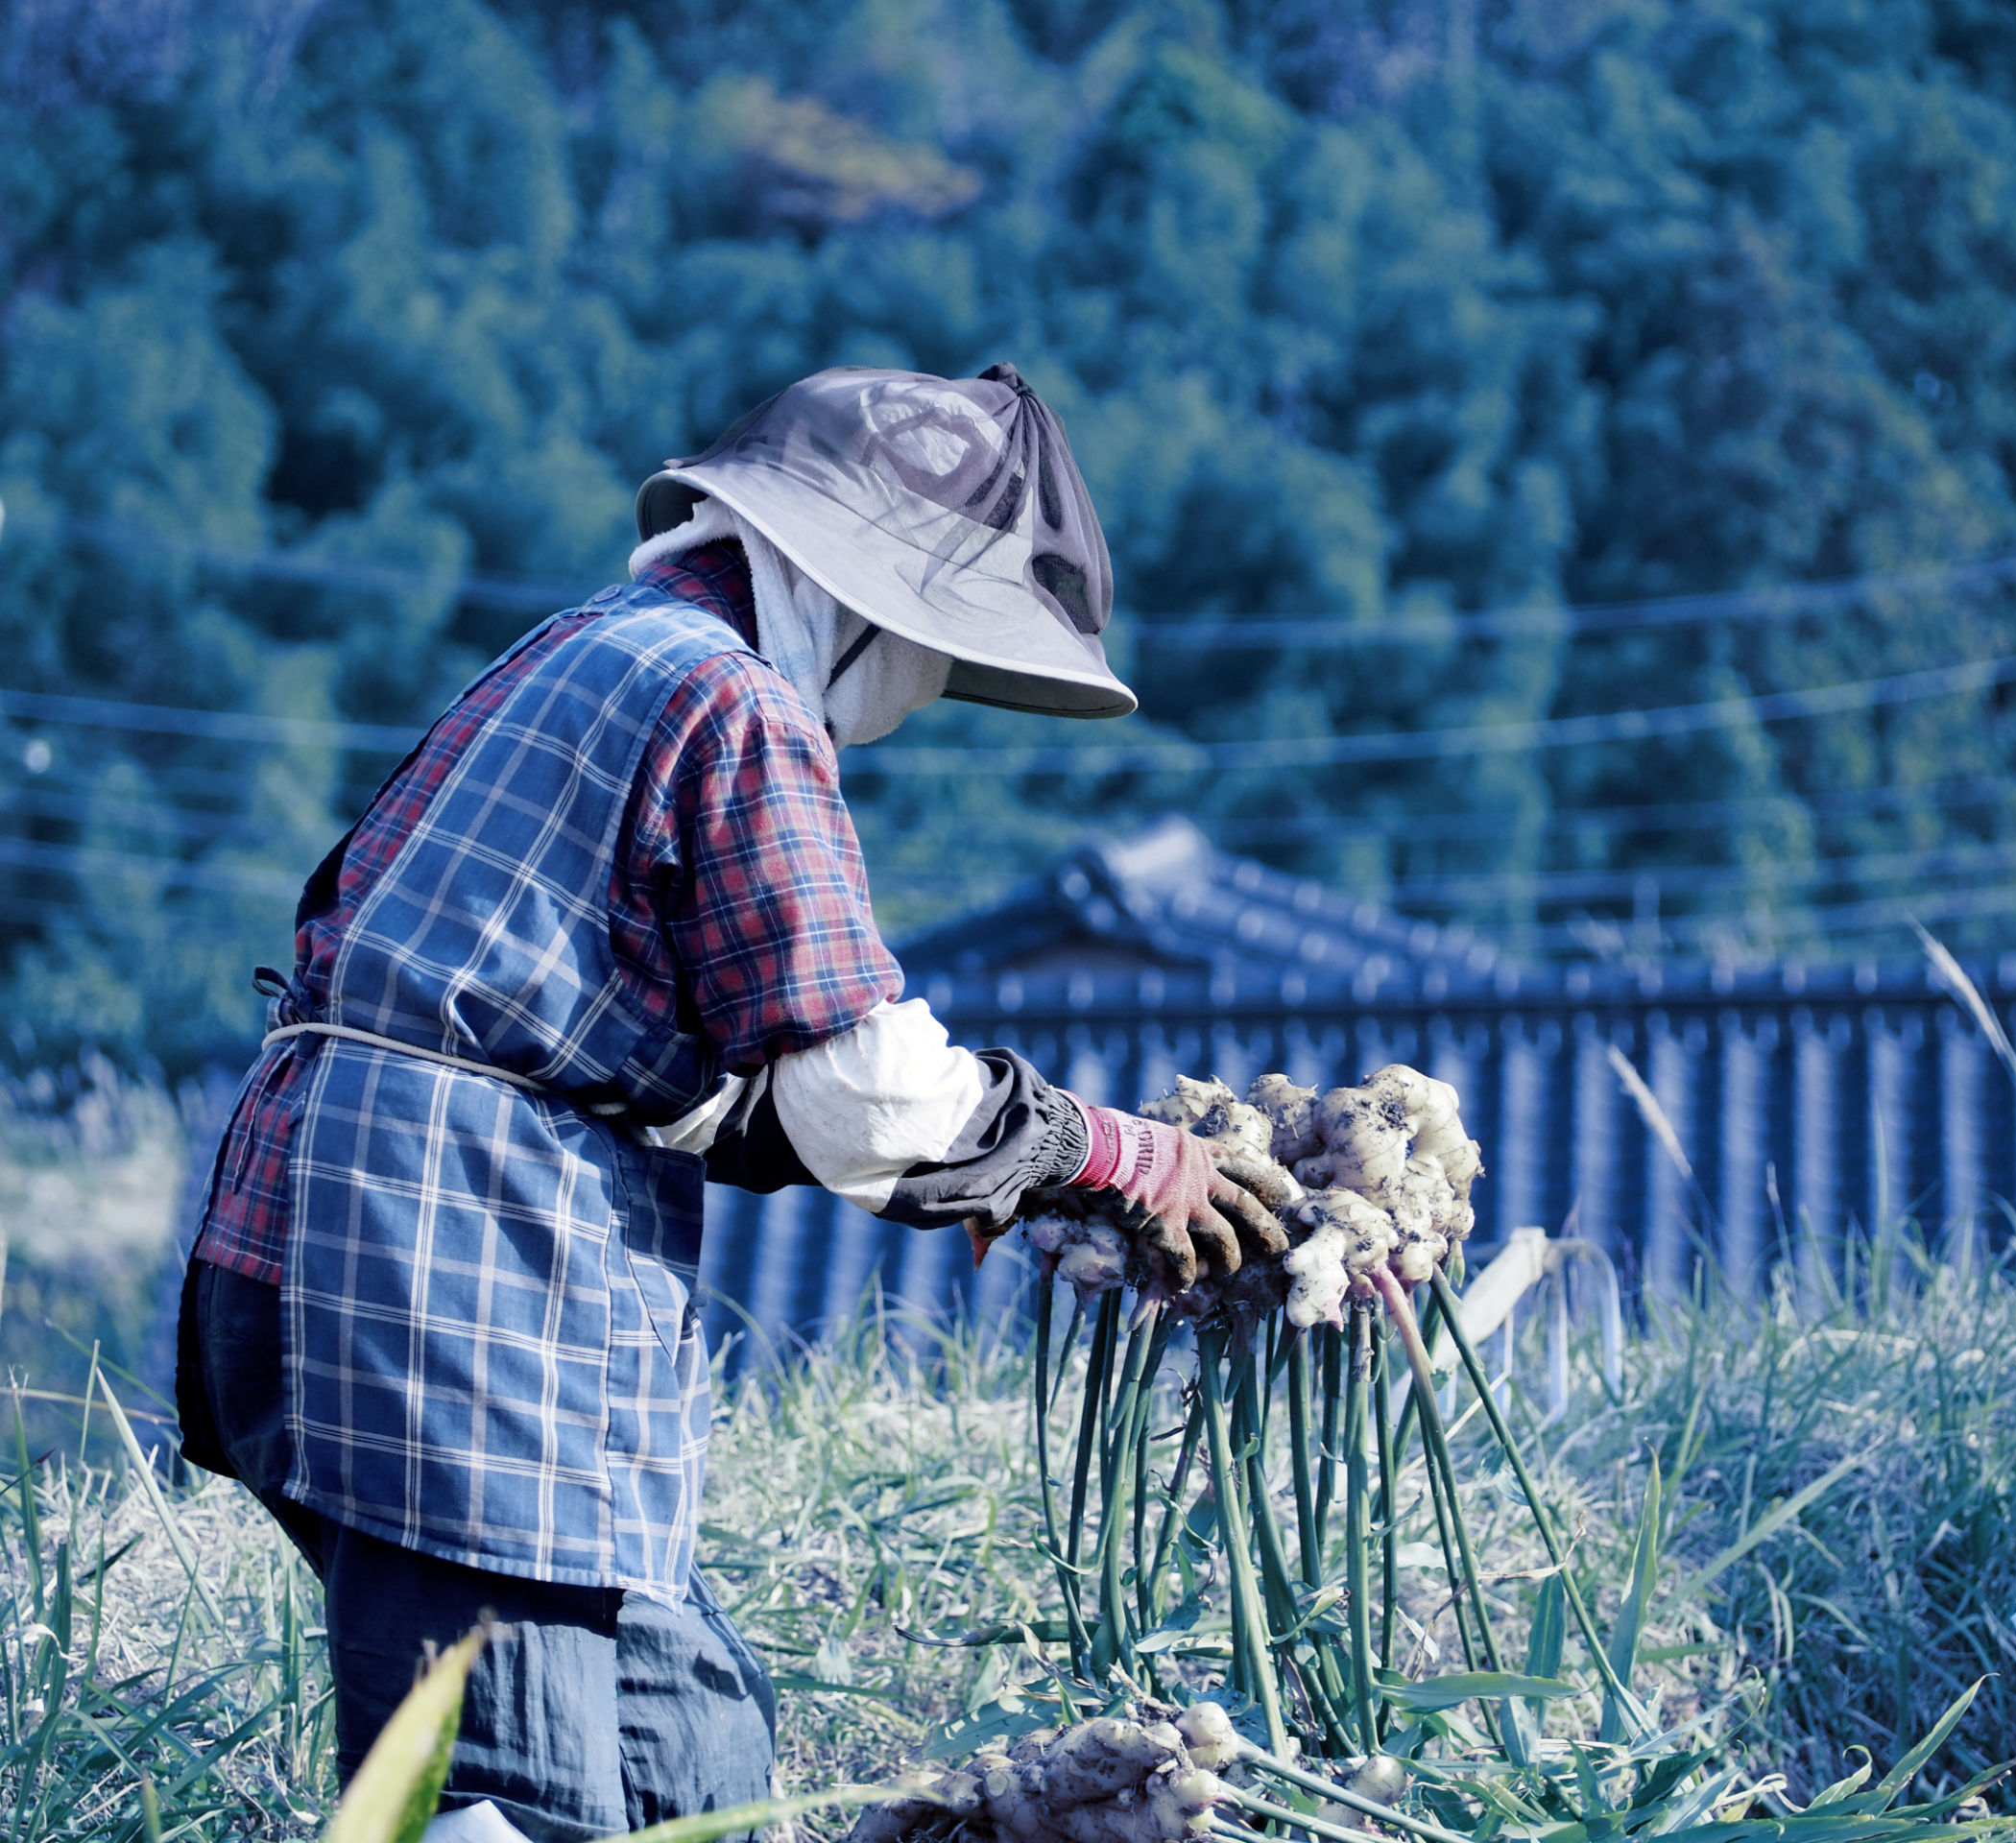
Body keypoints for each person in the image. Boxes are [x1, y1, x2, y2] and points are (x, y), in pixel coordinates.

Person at [174, 364, 1286, 1843]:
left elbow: (712, 1080)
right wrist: (1122, 1158)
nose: (929, 687)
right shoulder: (735, 700)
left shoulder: (596, 650)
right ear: (878, 601)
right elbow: (867, 1099)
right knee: (512, 1798)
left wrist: (1020, 1174)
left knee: (691, 1752)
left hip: (383, 1241)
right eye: (941, 649)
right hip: (445, 1271)